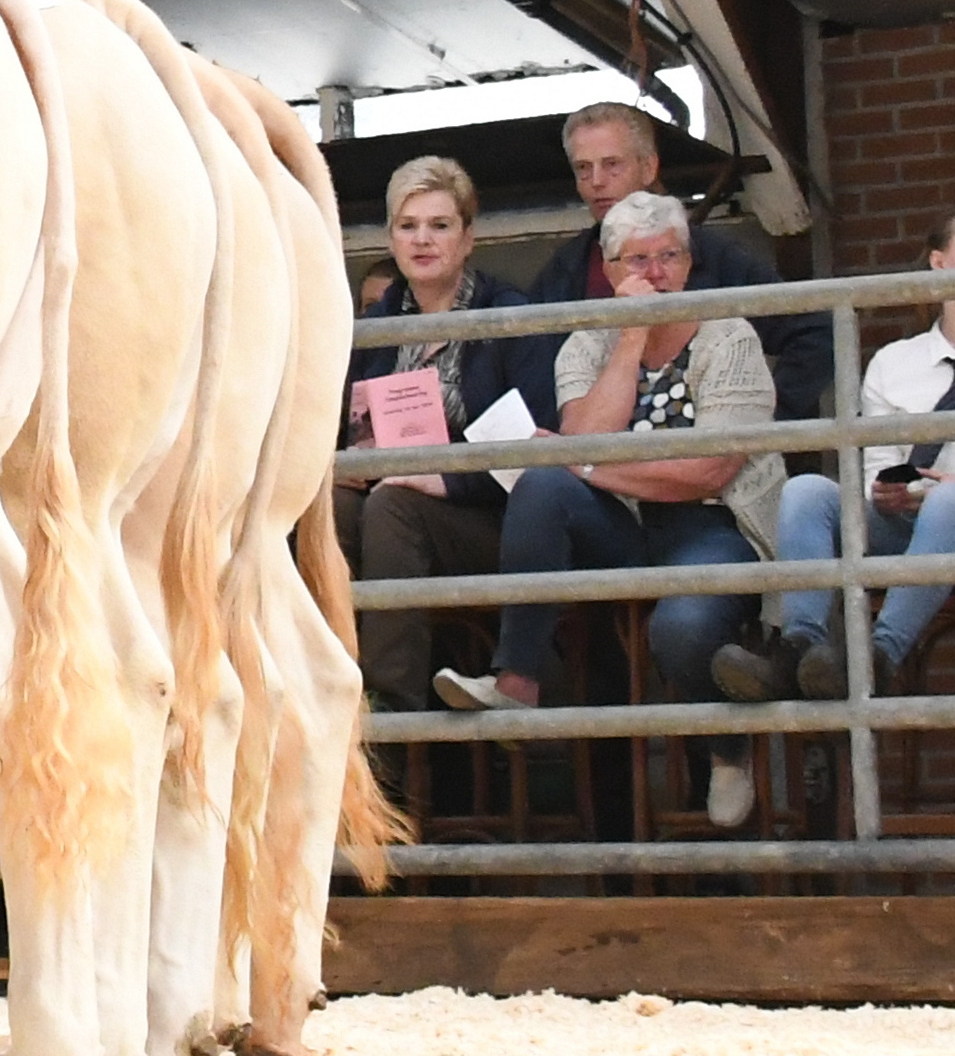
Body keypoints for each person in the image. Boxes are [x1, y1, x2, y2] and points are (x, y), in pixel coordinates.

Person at [446, 189, 781, 833]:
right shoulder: (588, 344)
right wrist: (629, 341)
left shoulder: (729, 335)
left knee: (679, 629)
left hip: (712, 521)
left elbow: (708, 470)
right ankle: (516, 681)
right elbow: (583, 435)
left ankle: (727, 748)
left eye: (669, 257)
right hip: (624, 522)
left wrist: (593, 465)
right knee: (542, 485)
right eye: (637, 261)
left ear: (689, 264)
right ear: (609, 269)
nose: (654, 275)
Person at [736, 204, 955, 702]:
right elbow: (877, 468)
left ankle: (878, 658)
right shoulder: (894, 362)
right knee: (808, 489)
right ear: (939, 263)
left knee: (951, 502)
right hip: (912, 526)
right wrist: (889, 493)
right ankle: (797, 646)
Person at [338, 154, 558, 711]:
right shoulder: (373, 330)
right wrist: (354, 466)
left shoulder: (509, 317)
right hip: (392, 505)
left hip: (489, 516)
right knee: (328, 506)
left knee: (393, 506)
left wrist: (445, 481)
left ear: (467, 237)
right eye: (407, 226)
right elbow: (347, 430)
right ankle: (320, 683)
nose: (422, 240)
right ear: (390, 239)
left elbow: (534, 449)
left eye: (439, 225)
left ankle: (390, 710)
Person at [527, 97, 822, 418]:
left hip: (707, 454)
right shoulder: (566, 269)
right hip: (598, 449)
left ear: (649, 167)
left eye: (612, 164)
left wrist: (764, 418)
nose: (597, 181)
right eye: (583, 168)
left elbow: (814, 331)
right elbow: (534, 372)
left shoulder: (712, 253)